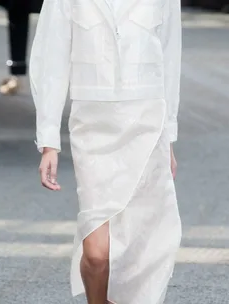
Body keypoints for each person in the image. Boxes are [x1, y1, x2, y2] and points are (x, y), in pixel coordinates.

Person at [29, 0, 182, 302]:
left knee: (138, 249)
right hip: (92, 127)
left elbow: (170, 56)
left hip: (146, 123)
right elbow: (51, 59)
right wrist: (48, 141)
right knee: (98, 254)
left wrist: (169, 136)